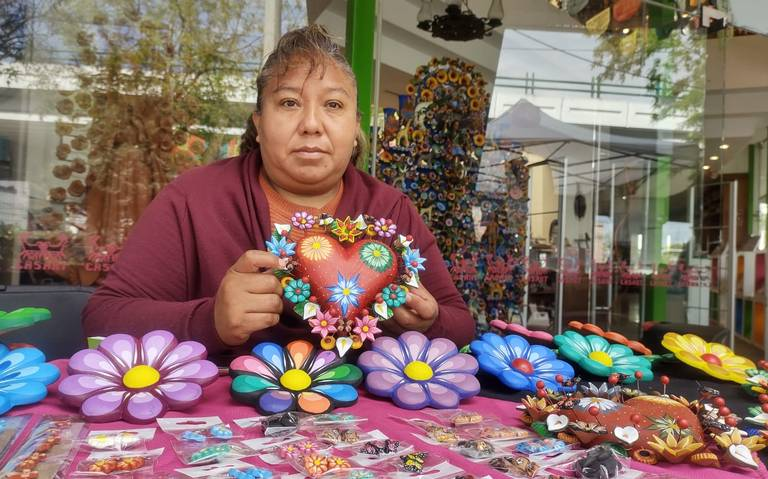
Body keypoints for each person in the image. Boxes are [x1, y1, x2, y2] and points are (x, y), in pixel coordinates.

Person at [82, 25, 475, 363]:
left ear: (355, 126)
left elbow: (460, 323)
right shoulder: (193, 200)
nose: (311, 124)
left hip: (358, 431)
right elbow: (103, 317)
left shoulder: (389, 208)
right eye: (289, 102)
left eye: (333, 105)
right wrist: (208, 321)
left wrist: (428, 321)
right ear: (259, 122)